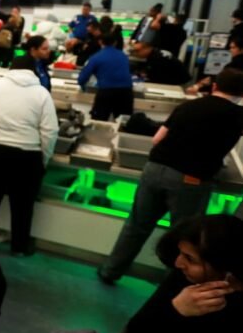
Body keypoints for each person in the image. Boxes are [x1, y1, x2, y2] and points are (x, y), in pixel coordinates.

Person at [98, 68, 243, 284]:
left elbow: (157, 139)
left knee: (136, 225)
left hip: (154, 169)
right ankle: (173, 288)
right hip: (190, 180)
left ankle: (110, 271)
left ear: (214, 86)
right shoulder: (238, 115)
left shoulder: (188, 105)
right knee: (186, 240)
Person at [0, 55, 59, 256]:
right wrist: (43, 158)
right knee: (23, 205)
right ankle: (19, 247)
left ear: (10, 69)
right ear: (34, 71)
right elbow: (50, 132)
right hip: (27, 155)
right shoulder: (42, 94)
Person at [77, 31, 135, 120]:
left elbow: (82, 78)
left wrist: (83, 87)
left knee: (98, 122)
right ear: (115, 42)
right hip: (126, 93)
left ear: (100, 42)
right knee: (124, 123)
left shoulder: (96, 57)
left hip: (106, 92)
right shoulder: (123, 56)